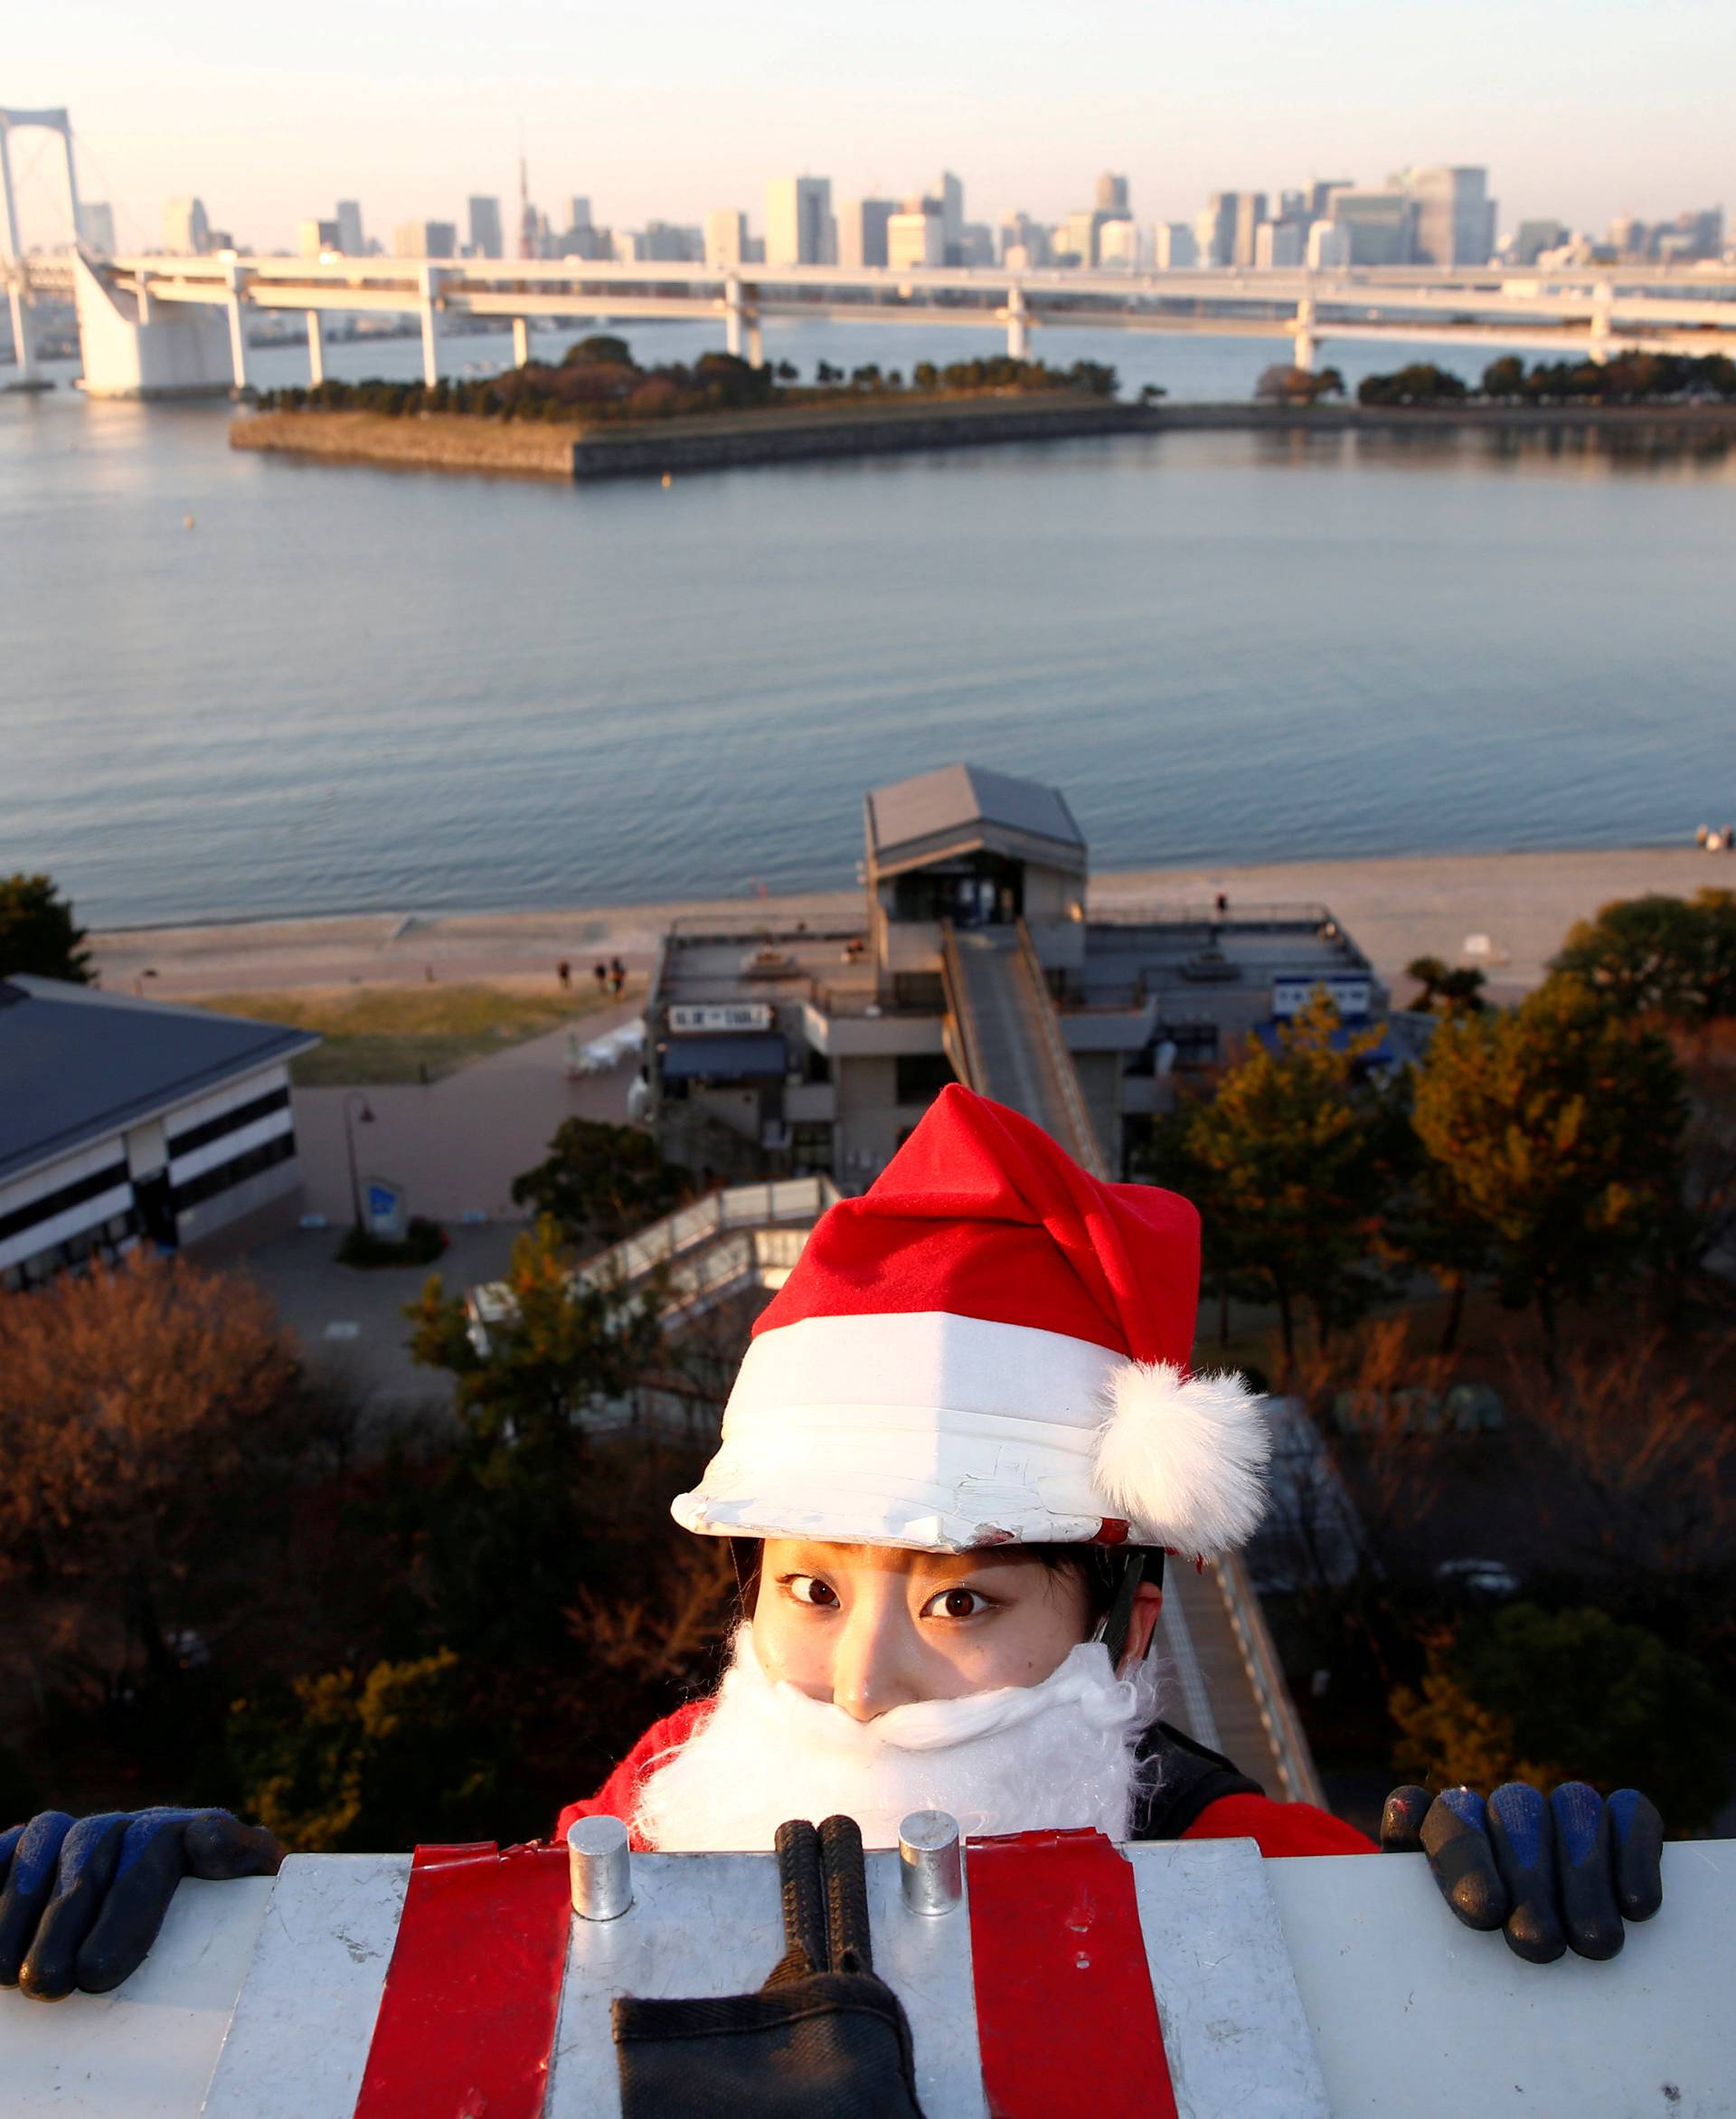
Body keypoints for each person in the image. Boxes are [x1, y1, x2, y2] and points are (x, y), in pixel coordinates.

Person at [0, 1089, 1664, 1999]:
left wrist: (1504, 1912)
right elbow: (475, 1985)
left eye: (958, 1598)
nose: (858, 1680)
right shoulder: (661, 1796)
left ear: (1127, 1634)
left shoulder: (1264, 1890)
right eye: (808, 1586)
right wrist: (232, 1925)